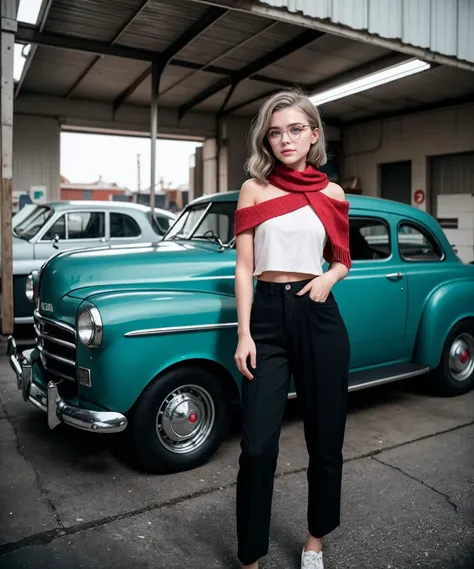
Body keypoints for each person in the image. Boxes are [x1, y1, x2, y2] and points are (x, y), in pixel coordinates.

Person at [233, 89, 352, 569]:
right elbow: (244, 268)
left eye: (295, 129)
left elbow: (343, 259)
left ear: (314, 134)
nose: (285, 139)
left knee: (326, 440)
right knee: (257, 447)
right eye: (276, 131)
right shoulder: (253, 189)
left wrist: (328, 277)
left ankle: (314, 543)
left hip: (318, 315)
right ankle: (250, 557)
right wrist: (244, 334)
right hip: (265, 316)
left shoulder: (333, 194)